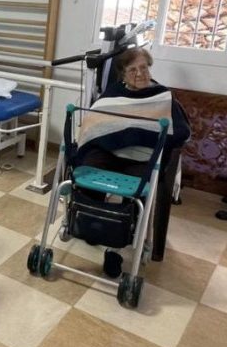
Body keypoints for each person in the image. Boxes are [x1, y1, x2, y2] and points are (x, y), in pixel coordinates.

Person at [75, 46, 191, 270]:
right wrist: (120, 134)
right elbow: (93, 123)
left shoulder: (163, 96)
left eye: (144, 67)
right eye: (132, 69)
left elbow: (182, 132)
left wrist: (138, 133)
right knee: (88, 169)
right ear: (122, 74)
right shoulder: (112, 93)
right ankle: (92, 222)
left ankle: (123, 239)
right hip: (110, 154)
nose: (140, 73)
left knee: (138, 191)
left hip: (142, 159)